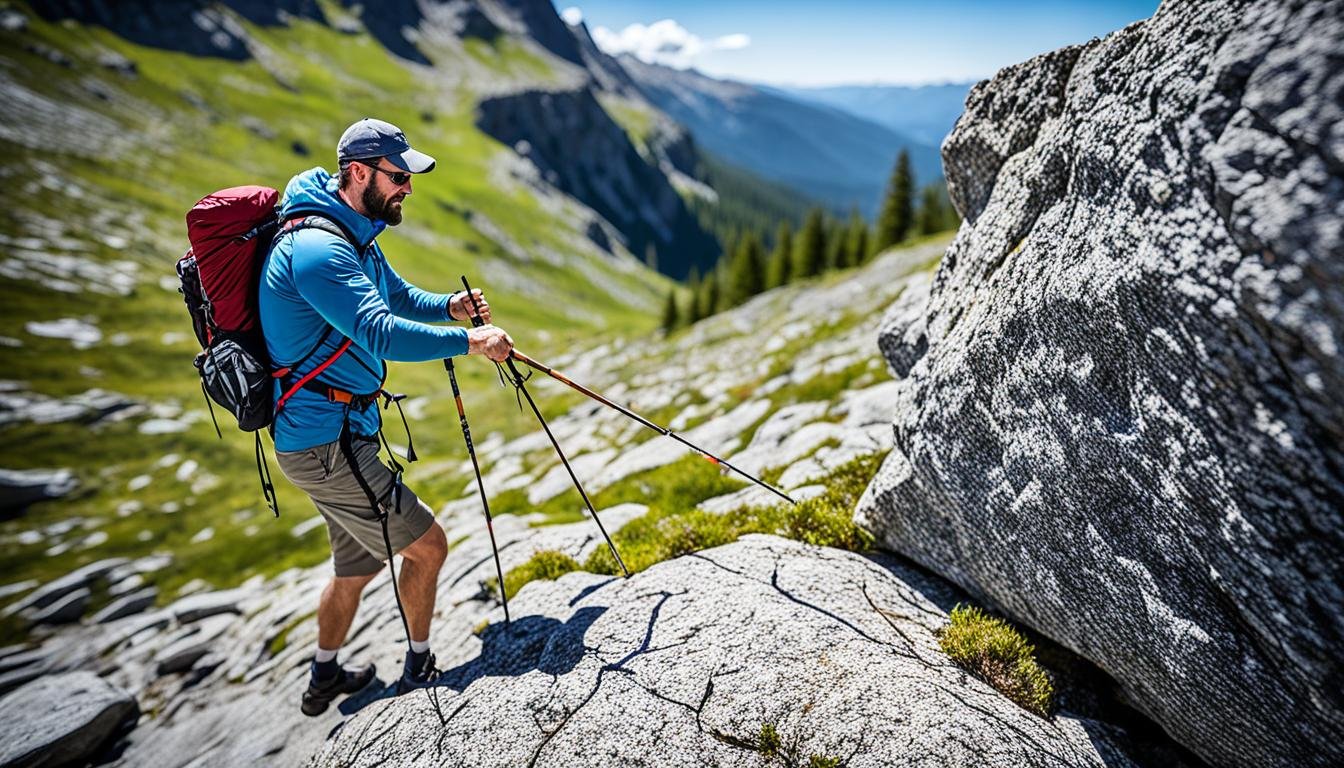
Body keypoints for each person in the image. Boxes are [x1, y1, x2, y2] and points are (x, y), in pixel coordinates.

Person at [259, 118, 514, 716]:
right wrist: (471, 343)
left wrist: (449, 307)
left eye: (409, 176)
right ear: (358, 172)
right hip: (327, 442)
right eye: (398, 176)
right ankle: (420, 666)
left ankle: (324, 676)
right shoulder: (320, 250)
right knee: (427, 547)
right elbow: (379, 330)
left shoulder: (352, 232)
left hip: (335, 436)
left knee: (357, 565)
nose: (407, 188)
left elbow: (395, 298)